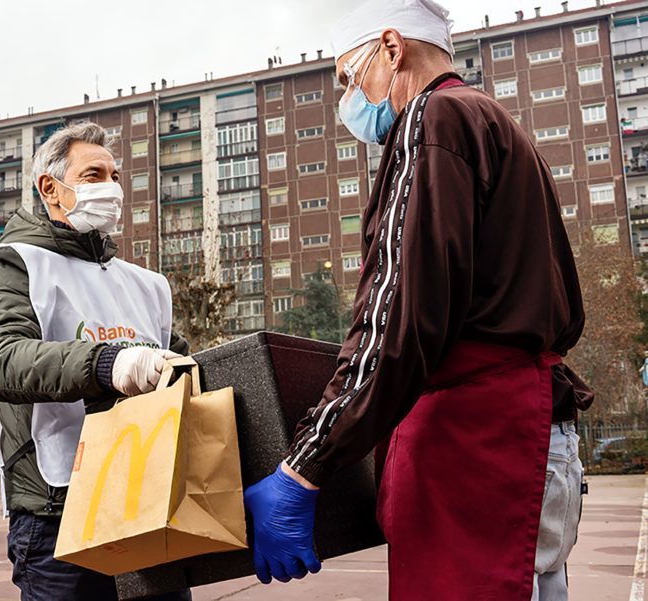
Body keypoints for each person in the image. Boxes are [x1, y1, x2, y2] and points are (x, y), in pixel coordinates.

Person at [244, 1, 594, 600]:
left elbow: (398, 318)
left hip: (478, 443)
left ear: (391, 48)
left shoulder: (432, 120)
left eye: (347, 78)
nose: (347, 99)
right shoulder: (495, 122)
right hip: (528, 430)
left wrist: (306, 463)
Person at [0, 122, 192, 601]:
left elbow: (181, 367)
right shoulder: (13, 265)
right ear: (50, 188)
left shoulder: (144, 283)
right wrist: (108, 364)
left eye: (116, 176)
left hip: (147, 499)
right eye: (94, 174)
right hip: (59, 514)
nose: (112, 188)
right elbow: (0, 360)